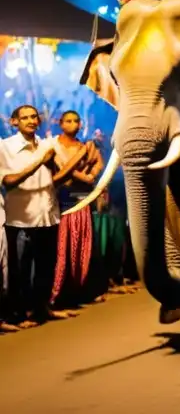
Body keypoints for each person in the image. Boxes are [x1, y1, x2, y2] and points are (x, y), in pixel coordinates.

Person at [0, 104, 88, 327]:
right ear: (14, 122)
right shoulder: (5, 147)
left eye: (34, 117)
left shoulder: (47, 145)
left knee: (45, 266)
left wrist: (78, 158)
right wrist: (39, 161)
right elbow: (8, 182)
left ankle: (42, 309)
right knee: (19, 271)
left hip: (48, 214)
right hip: (20, 218)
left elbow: (57, 179)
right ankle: (18, 315)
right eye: (25, 118)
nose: (31, 121)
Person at [51, 111, 104, 308]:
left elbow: (99, 162)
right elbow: (65, 170)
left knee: (85, 242)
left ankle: (83, 290)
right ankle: (61, 293)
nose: (73, 124)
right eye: (68, 121)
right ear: (61, 124)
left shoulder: (85, 146)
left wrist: (92, 174)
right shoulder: (54, 145)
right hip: (63, 201)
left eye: (76, 121)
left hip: (83, 199)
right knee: (64, 246)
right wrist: (86, 177)